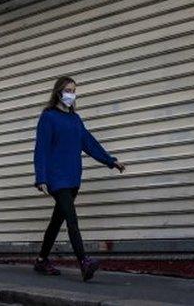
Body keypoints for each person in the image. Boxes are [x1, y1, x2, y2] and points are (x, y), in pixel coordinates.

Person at [33, 76, 126, 282]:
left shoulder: (75, 119)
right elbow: (41, 149)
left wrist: (111, 161)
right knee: (71, 220)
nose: (71, 94)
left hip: (73, 177)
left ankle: (41, 260)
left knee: (57, 221)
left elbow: (89, 143)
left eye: (74, 91)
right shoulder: (48, 117)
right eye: (68, 90)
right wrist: (41, 177)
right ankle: (84, 262)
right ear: (58, 92)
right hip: (57, 178)